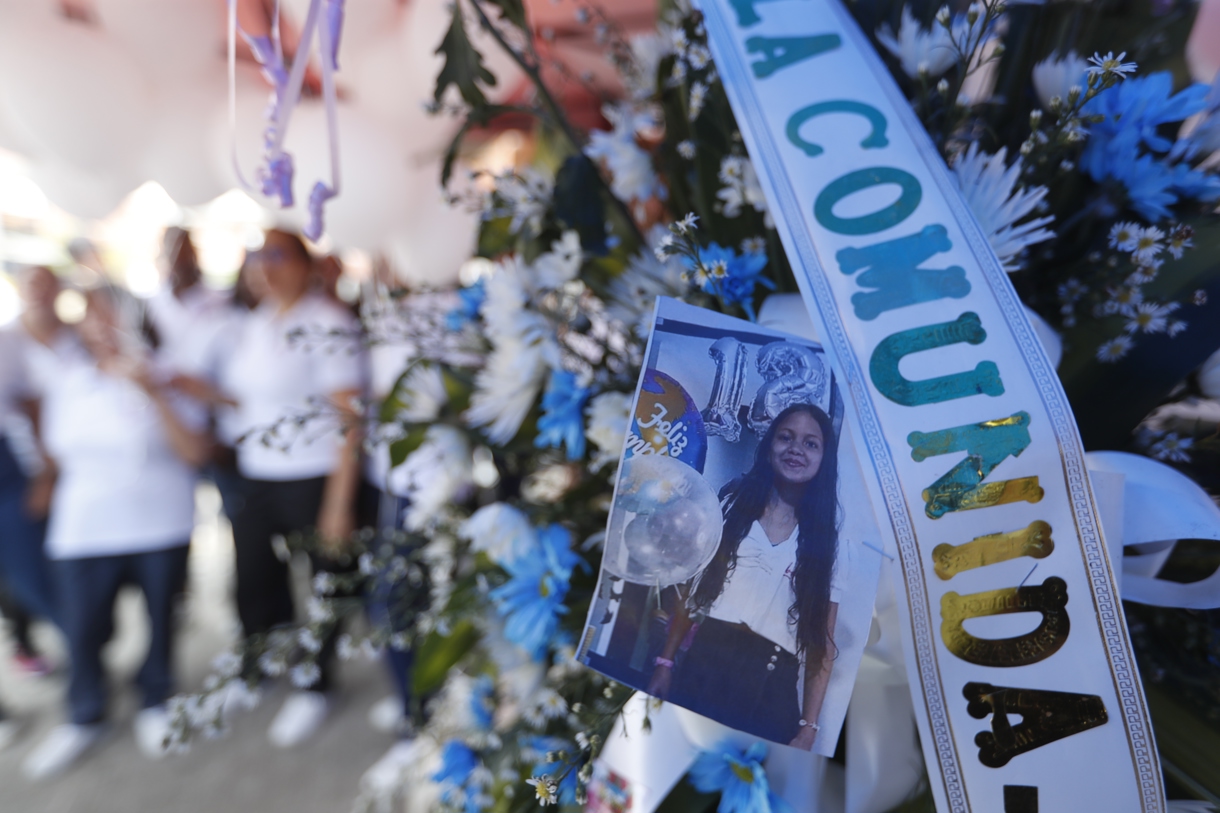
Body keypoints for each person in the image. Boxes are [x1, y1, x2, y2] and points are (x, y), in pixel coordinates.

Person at [22, 285, 208, 779]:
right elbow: (55, 448)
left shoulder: (167, 373)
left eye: (108, 315)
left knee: (160, 618)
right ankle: (85, 713)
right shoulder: (70, 379)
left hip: (159, 522)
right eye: (89, 317)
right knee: (82, 627)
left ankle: (155, 699)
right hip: (85, 525)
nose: (99, 326)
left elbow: (194, 451)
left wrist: (153, 391)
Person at [222, 228, 368, 748]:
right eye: (258, 257)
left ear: (306, 265)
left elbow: (350, 418)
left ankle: (316, 684)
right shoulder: (256, 323)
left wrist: (338, 501)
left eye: (278, 255)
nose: (266, 266)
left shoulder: (328, 322)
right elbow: (249, 400)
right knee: (253, 581)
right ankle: (257, 668)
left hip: (312, 475)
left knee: (327, 584)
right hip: (257, 474)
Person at [646, 403, 844, 750]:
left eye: (811, 443)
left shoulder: (831, 544)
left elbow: (821, 646)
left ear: (824, 459)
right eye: (786, 437)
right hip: (702, 668)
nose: (796, 448)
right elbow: (690, 592)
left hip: (771, 688)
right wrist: (665, 661)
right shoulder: (731, 504)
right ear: (769, 447)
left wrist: (808, 727)